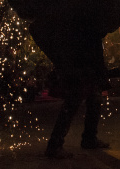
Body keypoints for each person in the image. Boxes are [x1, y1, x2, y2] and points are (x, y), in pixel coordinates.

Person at [44, 27, 110, 159]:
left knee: (94, 97)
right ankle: (54, 144)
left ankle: (89, 138)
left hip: (85, 60)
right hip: (80, 61)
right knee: (74, 100)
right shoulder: (81, 18)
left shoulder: (83, 16)